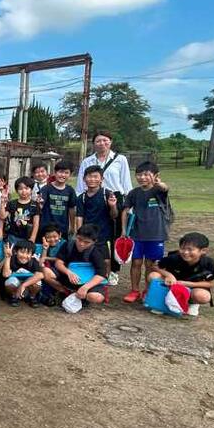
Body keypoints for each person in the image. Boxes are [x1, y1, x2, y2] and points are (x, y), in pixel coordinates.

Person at [76, 130, 133, 286]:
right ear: (94, 143)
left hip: (114, 198)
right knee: (91, 234)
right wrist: (82, 199)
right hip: (91, 196)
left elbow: (126, 183)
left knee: (113, 236)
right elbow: (80, 184)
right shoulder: (87, 161)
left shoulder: (120, 159)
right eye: (98, 141)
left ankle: (113, 271)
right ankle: (91, 266)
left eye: (105, 140)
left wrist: (127, 205)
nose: (102, 143)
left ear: (110, 142)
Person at [121, 161, 170, 303]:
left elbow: (165, 188)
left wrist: (160, 184)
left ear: (156, 175)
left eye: (146, 174)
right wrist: (124, 230)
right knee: (136, 263)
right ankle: (134, 290)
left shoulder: (158, 191)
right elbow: (125, 211)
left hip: (156, 235)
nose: (142, 177)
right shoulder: (134, 193)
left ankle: (148, 290)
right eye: (139, 174)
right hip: (137, 234)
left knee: (151, 264)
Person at [149, 232, 214, 316]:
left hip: (192, 288)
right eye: (182, 248)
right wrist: (169, 275)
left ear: (203, 251)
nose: (185, 252)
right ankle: (161, 302)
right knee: (153, 276)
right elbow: (155, 266)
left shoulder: (208, 263)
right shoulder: (173, 257)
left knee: (203, 296)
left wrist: (187, 284)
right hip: (172, 285)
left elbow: (210, 283)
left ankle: (192, 303)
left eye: (190, 249)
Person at [43, 224, 108, 307]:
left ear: (94, 242)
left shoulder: (97, 252)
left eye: (86, 242)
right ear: (76, 236)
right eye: (79, 239)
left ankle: (83, 298)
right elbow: (58, 263)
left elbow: (101, 274)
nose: (81, 244)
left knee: (96, 297)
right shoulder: (68, 245)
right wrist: (68, 272)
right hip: (68, 277)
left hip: (88, 280)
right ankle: (66, 292)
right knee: (46, 272)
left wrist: (85, 287)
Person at [75, 165, 120, 278]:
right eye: (89, 176)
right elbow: (79, 216)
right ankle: (88, 280)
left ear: (101, 179)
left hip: (104, 235)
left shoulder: (107, 194)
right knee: (87, 259)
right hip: (87, 235)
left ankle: (105, 281)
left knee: (106, 261)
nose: (92, 179)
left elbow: (114, 215)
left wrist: (113, 206)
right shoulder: (81, 198)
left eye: (95, 177)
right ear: (84, 179)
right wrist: (79, 234)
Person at [37, 161, 77, 239]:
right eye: (60, 172)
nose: (63, 175)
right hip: (46, 228)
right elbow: (40, 205)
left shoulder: (70, 191)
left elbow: (72, 209)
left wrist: (72, 226)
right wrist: (39, 203)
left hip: (62, 228)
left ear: (70, 174)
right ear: (55, 173)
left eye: (66, 173)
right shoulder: (46, 189)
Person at [1, 240, 44, 308]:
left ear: (32, 255)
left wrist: (23, 285)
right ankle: (14, 296)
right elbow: (5, 274)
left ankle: (32, 297)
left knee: (37, 282)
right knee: (10, 282)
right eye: (22, 252)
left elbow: (40, 275)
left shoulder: (33, 261)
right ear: (16, 252)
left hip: (28, 285)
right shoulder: (12, 259)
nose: (24, 256)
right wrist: (7, 257)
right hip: (15, 284)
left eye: (28, 253)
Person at [0, 177, 40, 245]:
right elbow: (3, 216)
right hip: (13, 236)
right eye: (20, 189)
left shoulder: (35, 205)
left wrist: (32, 238)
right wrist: (2, 202)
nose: (24, 191)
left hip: (27, 237)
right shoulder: (12, 203)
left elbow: (36, 223)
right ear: (16, 190)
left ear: (31, 190)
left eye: (26, 188)